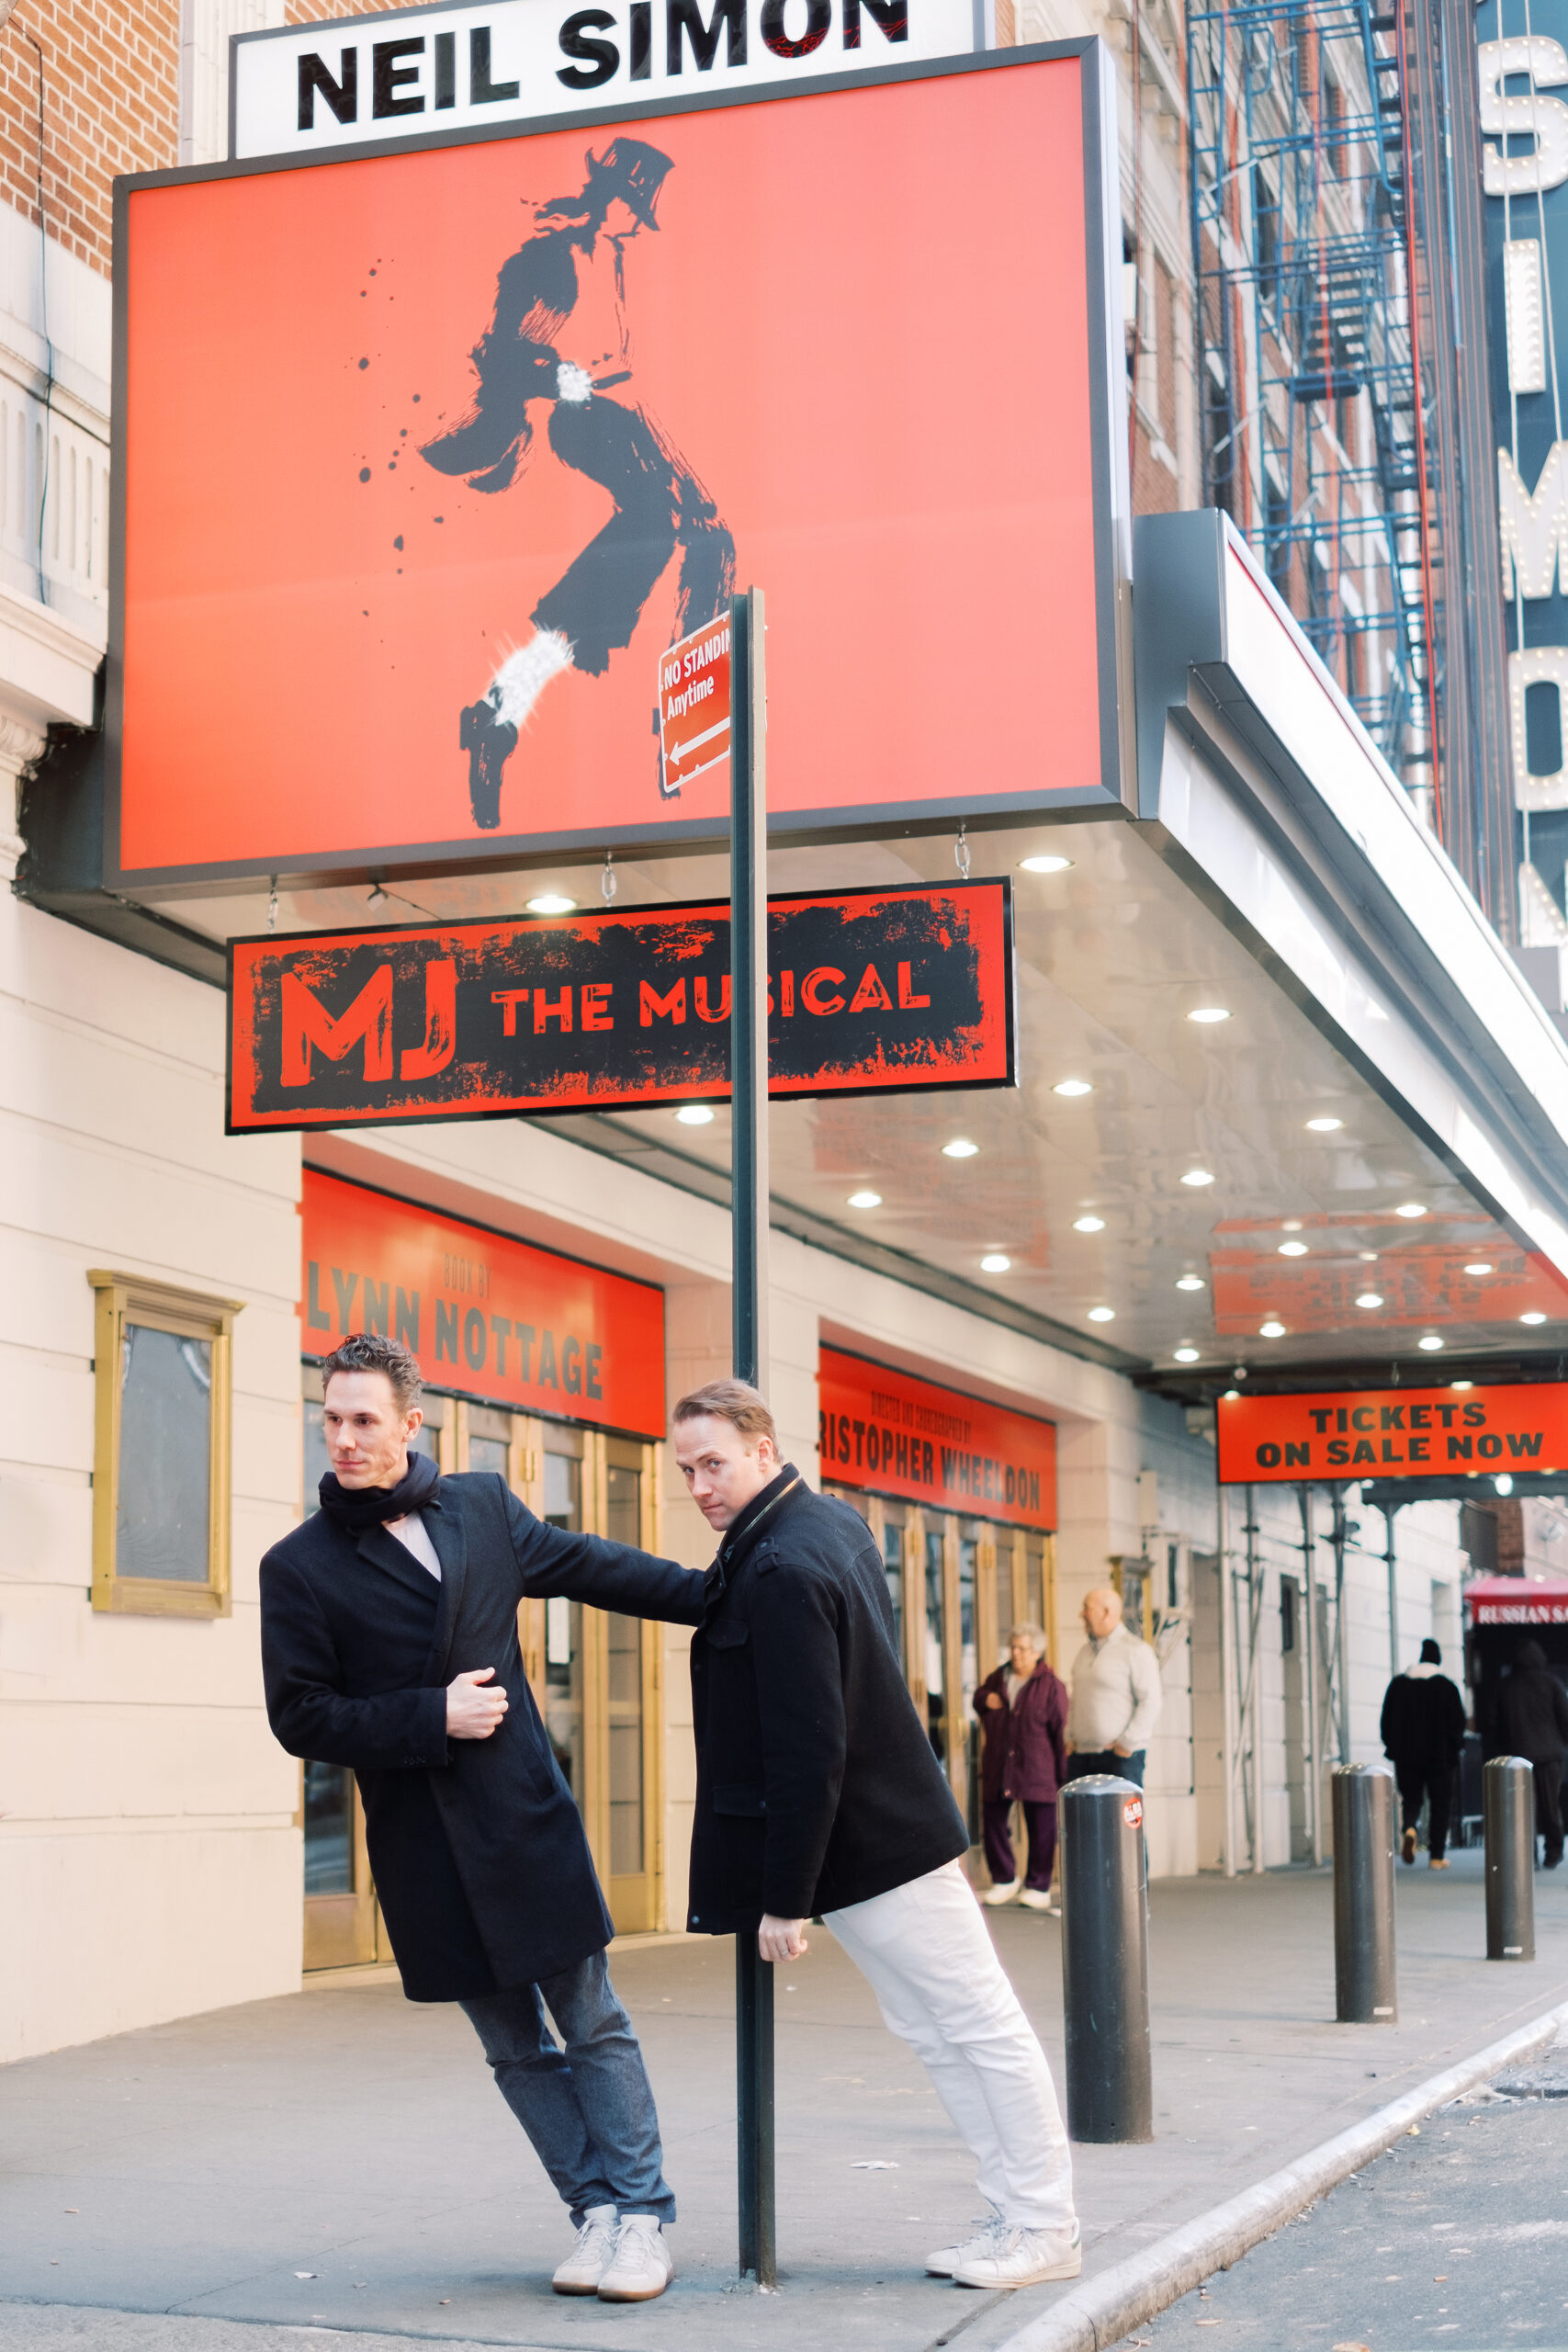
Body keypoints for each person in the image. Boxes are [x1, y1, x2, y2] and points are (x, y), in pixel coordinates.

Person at [259, 1332, 704, 2303]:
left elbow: (594, 1567)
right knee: (512, 2045)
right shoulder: (297, 1567)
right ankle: (591, 2207)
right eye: (330, 1419)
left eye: (363, 1419)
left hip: (522, 1816)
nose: (343, 1438)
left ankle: (643, 2214)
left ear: (411, 1424)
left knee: (591, 2019)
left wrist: (719, 1596)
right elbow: (300, 1715)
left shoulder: (482, 1508)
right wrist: (432, 1714)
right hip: (423, 1848)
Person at [673, 1379, 1079, 2293]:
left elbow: (808, 1748)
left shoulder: (778, 1565)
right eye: (687, 1468)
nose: (699, 1484)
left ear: (764, 1450)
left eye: (715, 1463)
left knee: (975, 2026)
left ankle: (1043, 2222)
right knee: (946, 2031)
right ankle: (1020, 2213)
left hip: (875, 1847)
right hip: (885, 1837)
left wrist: (785, 1897)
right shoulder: (828, 1525)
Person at [421, 140, 735, 830]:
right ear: (610, 195)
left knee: (709, 533)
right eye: (633, 210)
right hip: (573, 418)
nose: (636, 224)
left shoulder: (612, 257)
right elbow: (496, 351)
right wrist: (556, 375)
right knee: (659, 524)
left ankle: (512, 709)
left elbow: (625, 369)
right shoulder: (547, 258)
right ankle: (683, 723)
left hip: (620, 413)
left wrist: (679, 460)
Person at [975, 1624, 1069, 1913]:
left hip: (1038, 1766)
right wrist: (982, 1699)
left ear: (1038, 1652)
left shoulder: (1052, 1686)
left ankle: (1037, 1886)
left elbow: (1061, 1733)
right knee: (993, 1820)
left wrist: (1063, 1778)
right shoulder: (997, 1678)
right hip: (1000, 1764)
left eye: (1023, 1648)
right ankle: (1004, 1879)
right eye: (1013, 1647)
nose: (1015, 1653)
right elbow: (979, 1697)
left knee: (1041, 1826)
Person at [1379, 1637, 1468, 1869]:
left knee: (1411, 1799)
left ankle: (1409, 1828)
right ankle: (1436, 1856)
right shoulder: (1447, 1687)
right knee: (1440, 1803)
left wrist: (1394, 1746)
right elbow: (1458, 1724)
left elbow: (1386, 1721)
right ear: (1438, 1659)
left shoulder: (1399, 1684)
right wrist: (1454, 1749)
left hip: (1406, 1756)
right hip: (1440, 1758)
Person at [1064, 1587, 1162, 1786]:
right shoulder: (1084, 1652)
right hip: (1081, 1757)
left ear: (1106, 1612)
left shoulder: (1135, 1650)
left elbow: (1151, 1701)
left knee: (1119, 1818)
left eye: (1087, 1608)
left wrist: (1128, 1742)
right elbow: (1075, 1699)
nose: (1081, 1614)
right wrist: (1069, 1737)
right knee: (1079, 1817)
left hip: (1120, 1758)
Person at [1497, 1638, 1568, 1869]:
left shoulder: (1507, 1685)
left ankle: (1527, 1855)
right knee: (1551, 1806)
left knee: (1522, 1809)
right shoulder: (1552, 1683)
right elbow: (1565, 1717)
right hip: (1550, 1754)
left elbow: (1497, 1723)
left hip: (1518, 1755)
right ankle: (1553, 1852)